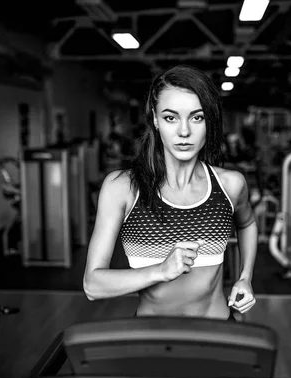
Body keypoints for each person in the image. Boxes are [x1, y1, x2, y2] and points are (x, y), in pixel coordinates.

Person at [83, 65, 257, 320]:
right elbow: (92, 285)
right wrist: (161, 270)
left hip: (218, 335)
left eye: (197, 117)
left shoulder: (230, 185)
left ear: (209, 120)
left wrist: (245, 277)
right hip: (153, 340)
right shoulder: (123, 188)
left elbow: (248, 223)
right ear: (155, 119)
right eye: (170, 117)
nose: (184, 132)